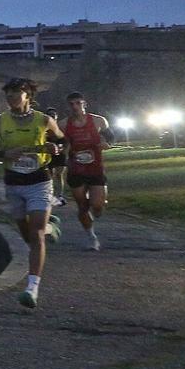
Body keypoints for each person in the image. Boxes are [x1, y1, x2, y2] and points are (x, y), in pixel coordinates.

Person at [0, 78, 66, 308]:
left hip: (39, 181)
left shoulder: (44, 120)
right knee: (28, 235)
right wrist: (5, 153)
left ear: (28, 96)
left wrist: (54, 149)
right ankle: (51, 226)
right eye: (8, 95)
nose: (11, 98)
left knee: (35, 236)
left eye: (16, 94)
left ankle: (32, 288)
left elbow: (63, 143)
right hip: (13, 183)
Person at [60, 91, 113, 250]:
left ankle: (97, 206)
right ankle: (92, 237)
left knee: (97, 206)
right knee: (82, 206)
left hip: (95, 168)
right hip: (76, 169)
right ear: (68, 106)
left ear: (84, 104)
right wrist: (62, 158)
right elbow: (61, 145)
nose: (75, 107)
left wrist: (106, 143)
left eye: (78, 103)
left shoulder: (98, 121)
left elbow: (110, 137)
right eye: (72, 104)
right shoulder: (63, 125)